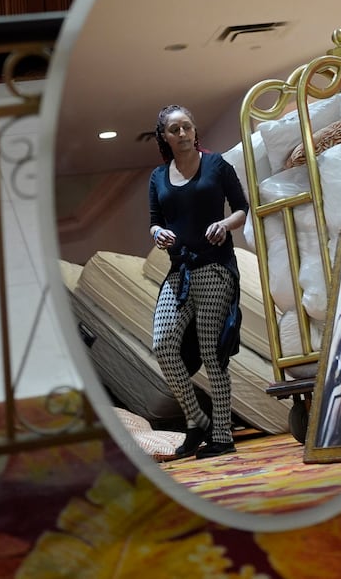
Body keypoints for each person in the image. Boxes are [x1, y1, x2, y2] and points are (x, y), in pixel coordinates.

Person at [148, 104, 247, 460]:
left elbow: (241, 207)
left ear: (194, 130)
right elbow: (155, 220)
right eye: (174, 130)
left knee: (211, 350)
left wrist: (225, 225)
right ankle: (197, 421)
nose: (182, 134)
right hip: (180, 271)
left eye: (187, 127)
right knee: (163, 343)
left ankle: (223, 435)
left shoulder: (216, 165)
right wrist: (158, 232)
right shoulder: (158, 177)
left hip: (216, 267)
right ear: (164, 136)